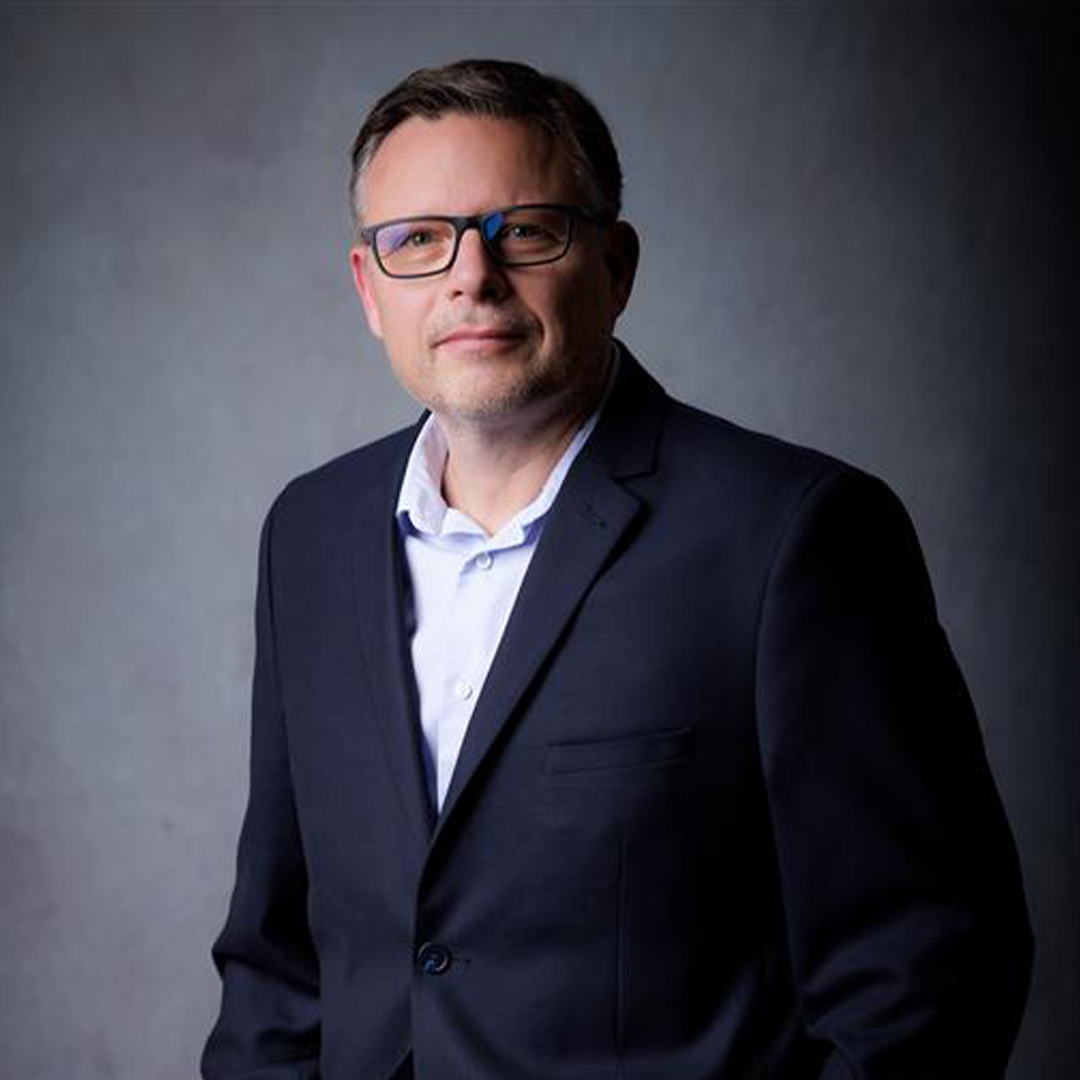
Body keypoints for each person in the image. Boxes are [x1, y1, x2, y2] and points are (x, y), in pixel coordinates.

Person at [201, 59, 1032, 1080]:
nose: (472, 275)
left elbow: (927, 970)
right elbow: (276, 961)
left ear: (617, 264)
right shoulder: (311, 535)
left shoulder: (793, 535)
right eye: (419, 240)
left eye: (525, 230)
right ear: (370, 289)